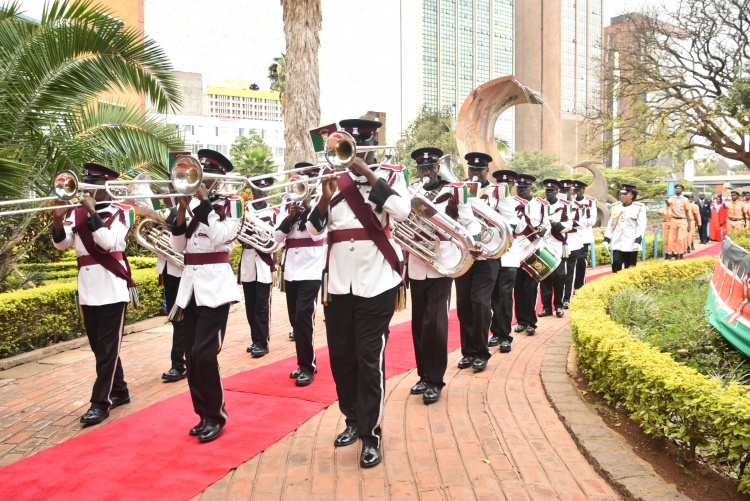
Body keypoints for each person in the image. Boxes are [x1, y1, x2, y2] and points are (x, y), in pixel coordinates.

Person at [307, 118, 410, 468]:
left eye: (358, 144)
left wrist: (365, 171)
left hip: (377, 281)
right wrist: (323, 198)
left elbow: (402, 210)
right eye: (348, 146)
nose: (351, 152)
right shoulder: (330, 175)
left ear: (371, 143)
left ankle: (371, 433)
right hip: (338, 282)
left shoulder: (392, 175)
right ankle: (352, 419)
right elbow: (311, 227)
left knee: (369, 357)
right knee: (342, 357)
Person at [52, 163, 135, 425]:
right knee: (100, 348)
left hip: (112, 287)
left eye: (93, 184)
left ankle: (101, 403)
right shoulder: (75, 213)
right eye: (86, 183)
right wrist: (57, 218)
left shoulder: (123, 211)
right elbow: (61, 244)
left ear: (106, 187)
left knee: (108, 349)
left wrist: (91, 213)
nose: (88, 189)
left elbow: (109, 242)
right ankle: (119, 391)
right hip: (88, 289)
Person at [170, 149, 243, 443]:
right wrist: (180, 210)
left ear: (218, 178)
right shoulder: (189, 205)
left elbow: (222, 237)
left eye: (205, 175)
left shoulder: (232, 204)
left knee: (204, 353)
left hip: (215, 288)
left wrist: (202, 204)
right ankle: (202, 414)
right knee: (191, 354)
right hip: (189, 288)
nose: (199, 180)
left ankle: (216, 415)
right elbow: (178, 246)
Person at [408, 147, 482, 404]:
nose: (426, 171)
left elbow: (470, 222)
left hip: (443, 262)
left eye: (430, 167)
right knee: (418, 323)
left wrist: (476, 240)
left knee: (435, 323)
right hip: (417, 261)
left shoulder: (456, 190)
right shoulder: (412, 190)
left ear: (438, 167)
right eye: (421, 168)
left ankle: (435, 380)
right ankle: (423, 375)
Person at [274, 162, 327, 387]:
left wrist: (305, 210)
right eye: (301, 177)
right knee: (295, 318)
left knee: (304, 315)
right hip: (292, 269)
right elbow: (276, 237)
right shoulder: (287, 201)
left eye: (310, 177)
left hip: (313, 267)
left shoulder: (321, 202)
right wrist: (289, 218)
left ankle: (308, 366)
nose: (305, 181)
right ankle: (302, 362)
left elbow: (317, 235)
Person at [455, 152, 500, 372]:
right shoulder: (460, 190)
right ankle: (468, 352)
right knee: (464, 304)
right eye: (472, 169)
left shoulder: (498, 192)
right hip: (465, 254)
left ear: (486, 171)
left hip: (488, 256)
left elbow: (509, 223)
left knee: (480, 303)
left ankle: (481, 352)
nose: (475, 173)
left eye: (479, 170)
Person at [239, 177, 279, 358]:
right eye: (259, 188)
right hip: (248, 260)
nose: (262, 191)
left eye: (265, 189)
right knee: (250, 304)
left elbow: (277, 238)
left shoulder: (274, 212)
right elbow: (236, 233)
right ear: (253, 191)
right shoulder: (243, 210)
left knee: (262, 306)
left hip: (263, 263)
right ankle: (255, 339)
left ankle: (263, 342)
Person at [488, 170, 525, 353]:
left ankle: (505, 336)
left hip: (509, 255)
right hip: (492, 254)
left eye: (508, 184)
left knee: (504, 295)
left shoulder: (518, 203)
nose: (505, 187)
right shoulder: (489, 201)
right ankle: (495, 333)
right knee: (493, 295)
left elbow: (521, 226)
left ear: (513, 186)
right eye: (501, 184)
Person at [156, 188, 186, 383]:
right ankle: (180, 363)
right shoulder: (164, 211)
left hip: (184, 272)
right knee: (176, 320)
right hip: (169, 270)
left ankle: (180, 364)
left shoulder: (186, 209)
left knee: (183, 319)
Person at [513, 174, 547, 336]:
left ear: (531, 188)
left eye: (525, 188)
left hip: (533, 249)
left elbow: (545, 224)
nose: (522, 190)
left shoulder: (539, 205)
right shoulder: (510, 203)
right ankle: (521, 321)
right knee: (518, 287)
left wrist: (541, 230)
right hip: (515, 250)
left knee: (531, 287)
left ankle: (531, 322)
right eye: (520, 188)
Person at [538, 179, 573, 319]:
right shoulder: (540, 205)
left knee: (559, 276)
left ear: (557, 192)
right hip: (543, 245)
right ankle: (546, 307)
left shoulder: (564, 206)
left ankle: (558, 306)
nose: (549, 193)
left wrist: (559, 225)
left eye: (551, 190)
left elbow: (571, 223)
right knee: (544, 277)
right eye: (547, 190)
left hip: (558, 245)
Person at [603, 184, 647, 272]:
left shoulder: (638, 207)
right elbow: (611, 225)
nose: (623, 196)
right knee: (616, 264)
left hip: (631, 243)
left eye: (625, 194)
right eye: (622, 194)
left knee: (630, 268)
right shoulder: (615, 206)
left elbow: (641, 226)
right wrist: (606, 239)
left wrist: (637, 241)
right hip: (617, 242)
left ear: (632, 195)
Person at [559, 180, 584, 308]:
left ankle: (567, 298)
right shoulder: (552, 205)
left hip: (572, 241)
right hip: (557, 242)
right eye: (562, 191)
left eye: (568, 191)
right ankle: (557, 299)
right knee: (558, 273)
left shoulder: (577, 206)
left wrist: (570, 223)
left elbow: (582, 224)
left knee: (569, 272)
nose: (566, 193)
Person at [572, 181, 596, 292]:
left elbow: (592, 220)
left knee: (581, 260)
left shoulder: (590, 202)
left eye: (578, 190)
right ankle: (571, 286)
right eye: (574, 190)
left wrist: (579, 222)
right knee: (572, 262)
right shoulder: (569, 202)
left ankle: (580, 285)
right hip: (572, 236)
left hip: (584, 236)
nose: (576, 192)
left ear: (583, 190)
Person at [660, 184, 693, 259]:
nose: (678, 190)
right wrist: (667, 202)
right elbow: (669, 204)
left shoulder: (685, 200)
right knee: (673, 239)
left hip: (682, 220)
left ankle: (680, 253)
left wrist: (689, 224)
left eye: (679, 188)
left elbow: (687, 212)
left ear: (682, 190)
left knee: (680, 238)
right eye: (677, 188)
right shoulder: (672, 198)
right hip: (674, 220)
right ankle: (675, 253)